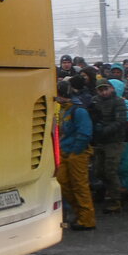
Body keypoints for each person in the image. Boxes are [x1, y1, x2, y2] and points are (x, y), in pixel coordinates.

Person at [56, 81, 95, 230]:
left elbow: (85, 133)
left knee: (80, 186)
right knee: (64, 183)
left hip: (76, 154)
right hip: (65, 152)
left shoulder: (78, 110)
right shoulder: (65, 109)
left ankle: (87, 219)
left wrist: (75, 151)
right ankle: (79, 214)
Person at [91, 79, 128, 213]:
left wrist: (104, 130)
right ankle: (117, 192)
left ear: (111, 88)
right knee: (98, 171)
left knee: (110, 171)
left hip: (114, 141)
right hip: (100, 141)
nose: (104, 92)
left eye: (106, 89)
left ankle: (116, 200)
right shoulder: (95, 101)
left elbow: (121, 121)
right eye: (101, 90)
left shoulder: (118, 101)